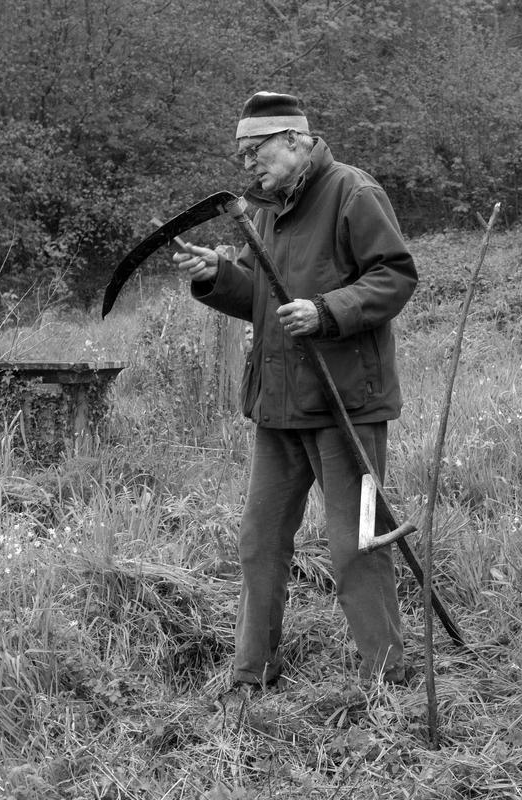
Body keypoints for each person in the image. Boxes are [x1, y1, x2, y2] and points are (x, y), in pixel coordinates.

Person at [172, 91, 418, 691]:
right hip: (280, 405)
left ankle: (384, 675)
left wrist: (328, 311)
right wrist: (217, 277)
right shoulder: (264, 212)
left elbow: (395, 275)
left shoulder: (352, 193)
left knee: (355, 544)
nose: (248, 165)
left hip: (343, 403)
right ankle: (252, 672)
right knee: (258, 540)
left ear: (294, 140)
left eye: (256, 152)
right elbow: (261, 294)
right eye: (241, 156)